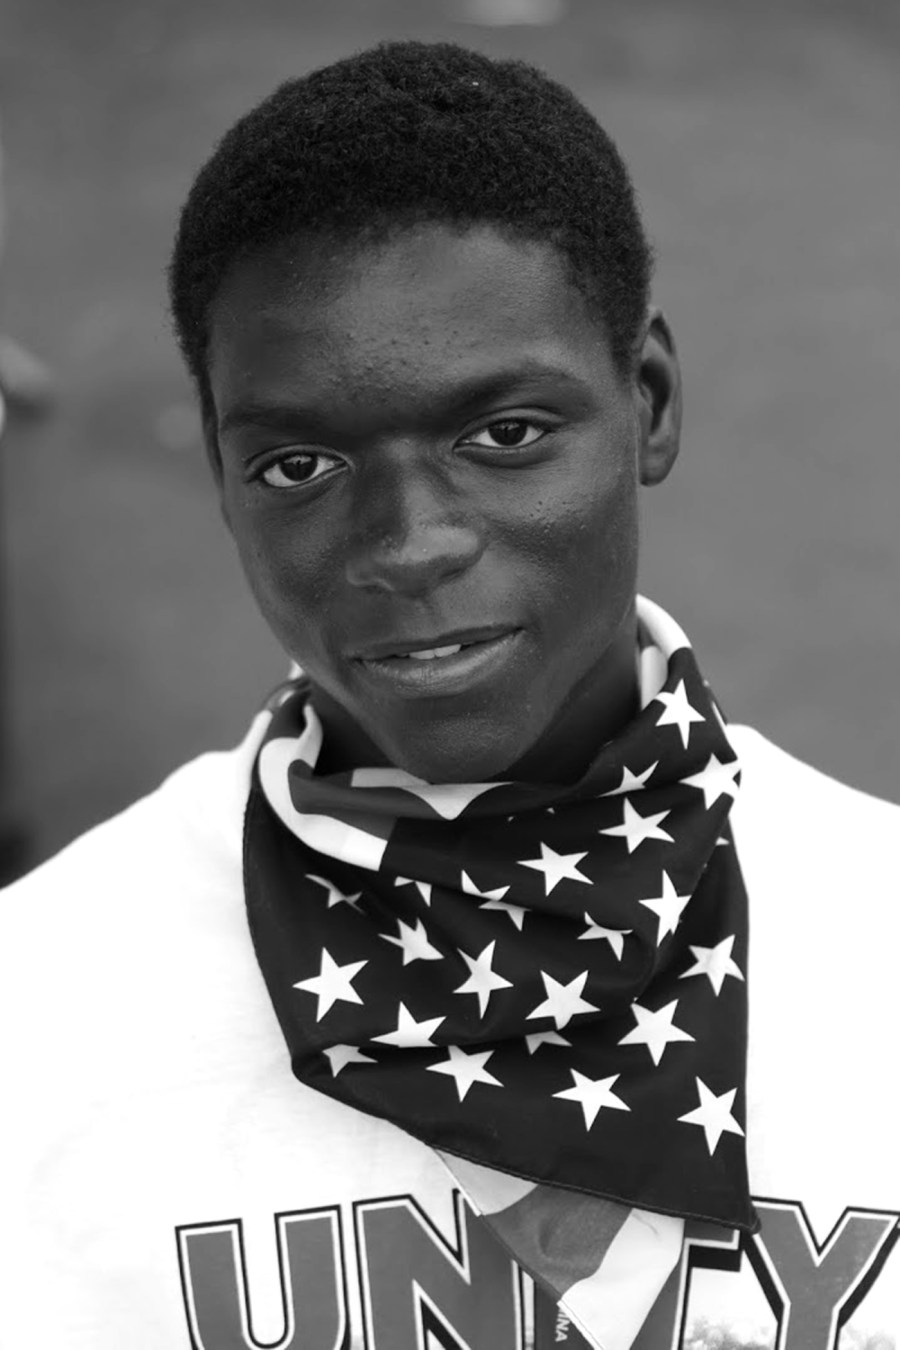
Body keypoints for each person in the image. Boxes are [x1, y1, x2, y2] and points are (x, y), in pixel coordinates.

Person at [0, 41, 897, 1350]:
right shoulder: (40, 1007)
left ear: (645, 401)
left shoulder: (882, 932)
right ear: (220, 470)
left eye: (505, 435)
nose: (410, 542)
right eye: (300, 462)